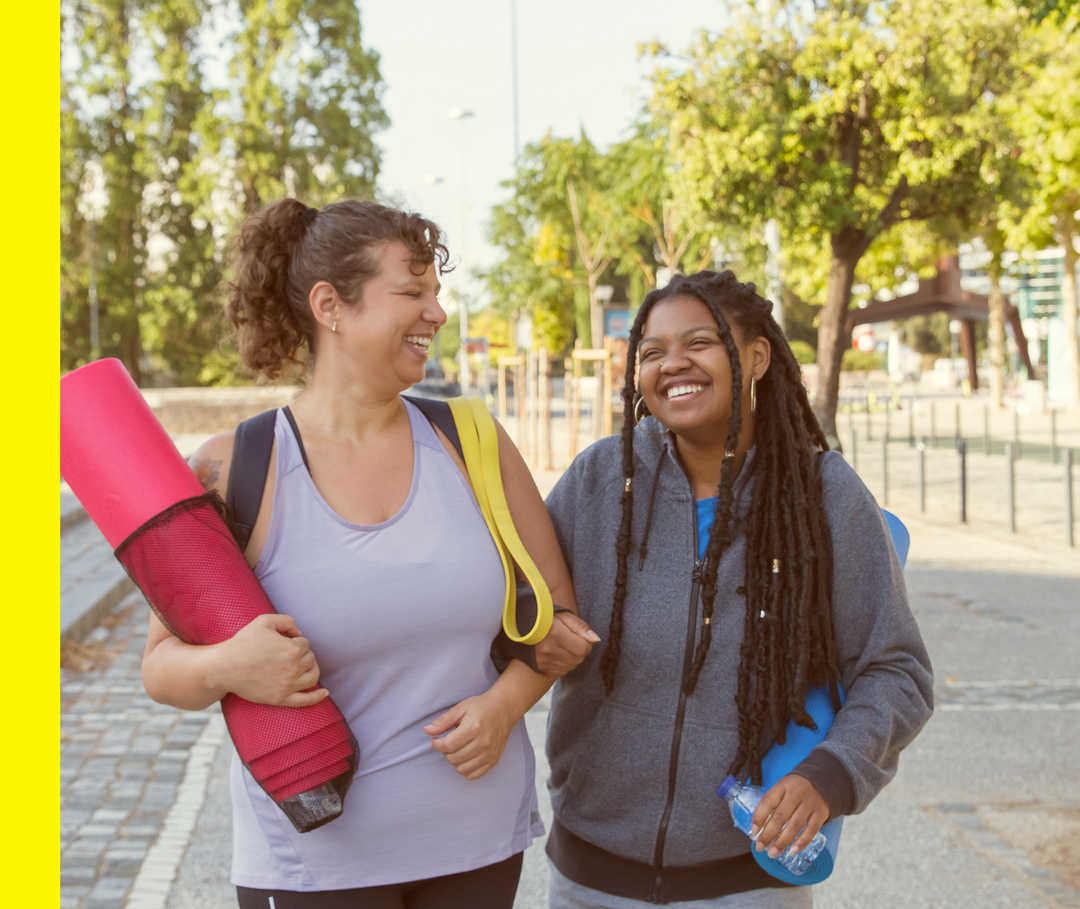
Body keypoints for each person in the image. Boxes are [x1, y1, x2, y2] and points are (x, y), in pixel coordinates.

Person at [140, 198, 596, 909]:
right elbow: (161, 667)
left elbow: (558, 616)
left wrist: (504, 706)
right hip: (311, 864)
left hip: (474, 846)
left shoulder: (472, 441)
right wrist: (231, 664)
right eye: (412, 291)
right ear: (331, 306)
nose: (437, 312)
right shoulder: (237, 467)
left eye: (437, 292)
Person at [541, 270, 934, 907]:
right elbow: (517, 609)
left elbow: (896, 670)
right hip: (592, 876)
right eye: (651, 352)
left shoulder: (823, 496)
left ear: (756, 355)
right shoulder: (599, 481)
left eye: (699, 342)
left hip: (749, 881)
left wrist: (829, 776)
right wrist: (530, 641)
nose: (673, 365)